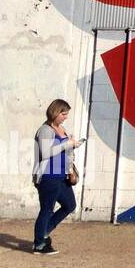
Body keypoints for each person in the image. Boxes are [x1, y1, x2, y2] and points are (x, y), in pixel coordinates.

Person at [32, 99, 80, 255]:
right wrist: (67, 144)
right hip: (48, 176)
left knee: (70, 205)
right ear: (55, 112)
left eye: (67, 114)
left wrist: (73, 145)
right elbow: (46, 152)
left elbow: (64, 150)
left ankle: (44, 232)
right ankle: (39, 245)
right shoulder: (45, 130)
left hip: (61, 175)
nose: (66, 117)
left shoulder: (62, 129)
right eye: (63, 114)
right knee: (47, 210)